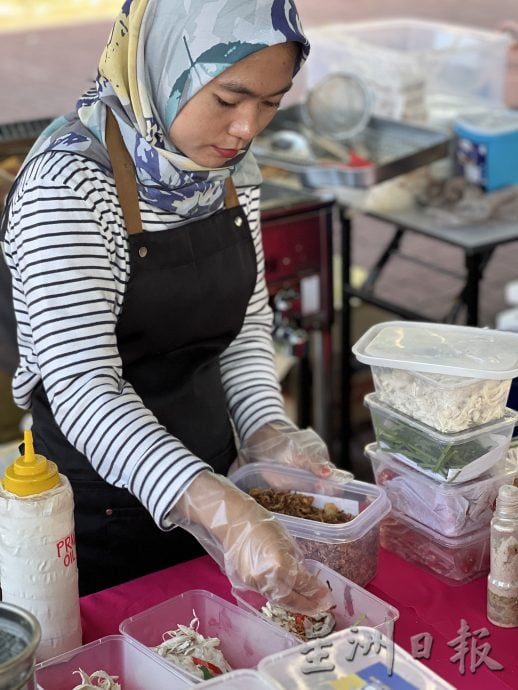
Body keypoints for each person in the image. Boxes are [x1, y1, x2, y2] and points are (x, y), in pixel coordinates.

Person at [0, 0, 334, 612]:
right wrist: (215, 507)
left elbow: (245, 325)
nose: (246, 129)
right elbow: (82, 388)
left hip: (216, 473)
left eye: (271, 103)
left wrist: (266, 430)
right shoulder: (68, 188)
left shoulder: (226, 171)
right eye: (229, 99)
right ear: (163, 65)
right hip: (100, 510)